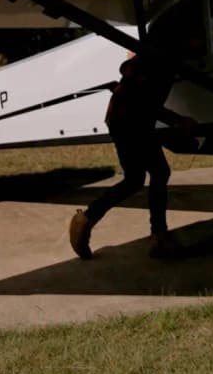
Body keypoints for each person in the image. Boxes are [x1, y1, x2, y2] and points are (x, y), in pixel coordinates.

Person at [69, 29, 202, 260]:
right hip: (131, 120)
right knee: (158, 172)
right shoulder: (162, 61)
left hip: (124, 119)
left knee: (135, 180)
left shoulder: (157, 57)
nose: (199, 44)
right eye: (196, 39)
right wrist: (178, 120)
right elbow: (145, 102)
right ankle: (159, 237)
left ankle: (86, 220)